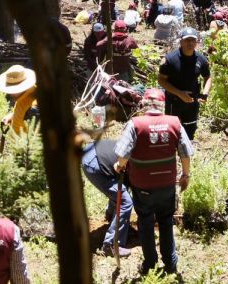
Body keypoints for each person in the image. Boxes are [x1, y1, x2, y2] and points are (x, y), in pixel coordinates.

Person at [114, 86, 193, 276]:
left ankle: (150, 264)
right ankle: (171, 263)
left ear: (144, 105)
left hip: (143, 187)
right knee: (166, 222)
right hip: (166, 184)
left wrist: (120, 165)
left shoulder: (135, 124)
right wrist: (186, 174)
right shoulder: (174, 122)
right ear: (162, 105)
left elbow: (122, 154)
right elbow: (186, 153)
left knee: (146, 223)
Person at [82, 137, 135, 257]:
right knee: (125, 202)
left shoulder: (137, 149)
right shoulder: (139, 163)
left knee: (119, 192)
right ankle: (111, 245)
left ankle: (111, 215)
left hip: (92, 152)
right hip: (95, 163)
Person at [158, 28, 211, 140]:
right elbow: (161, 80)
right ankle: (171, 152)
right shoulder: (170, 59)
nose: (190, 43)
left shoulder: (201, 59)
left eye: (193, 40)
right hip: (174, 101)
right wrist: (179, 93)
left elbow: (208, 77)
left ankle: (187, 153)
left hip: (192, 102)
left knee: (190, 131)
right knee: (171, 131)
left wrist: (205, 93)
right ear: (181, 41)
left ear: (196, 42)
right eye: (187, 40)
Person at [0, 65, 38, 134]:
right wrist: (13, 116)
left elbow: (37, 140)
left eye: (12, 89)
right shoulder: (24, 96)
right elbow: (24, 111)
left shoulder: (34, 109)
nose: (10, 93)